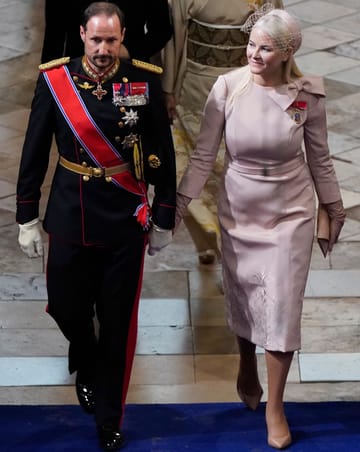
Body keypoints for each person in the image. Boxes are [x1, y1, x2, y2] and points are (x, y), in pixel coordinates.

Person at [175, 7, 345, 449]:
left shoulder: (308, 95)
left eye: (264, 48)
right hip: (240, 209)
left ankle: (275, 405)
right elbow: (201, 156)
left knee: (283, 305)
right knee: (246, 293)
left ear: (287, 52)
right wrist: (177, 204)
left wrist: (334, 208)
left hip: (291, 212)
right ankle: (246, 361)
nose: (253, 53)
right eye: (251, 45)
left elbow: (321, 159)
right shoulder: (227, 87)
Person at [16, 2, 176, 450]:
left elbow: (162, 150)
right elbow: (34, 150)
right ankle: (85, 359)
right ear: (82, 36)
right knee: (66, 307)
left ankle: (110, 418)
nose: (103, 50)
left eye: (112, 40)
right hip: (70, 213)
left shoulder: (143, 80)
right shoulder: (55, 80)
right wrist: (27, 214)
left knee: (119, 325)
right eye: (95, 40)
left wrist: (164, 214)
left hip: (124, 221)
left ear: (122, 37)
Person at [162, 0, 283, 264]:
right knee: (196, 169)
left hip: (248, 83)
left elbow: (278, 34)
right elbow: (174, 40)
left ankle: (233, 239)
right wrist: (169, 87)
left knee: (238, 169)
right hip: (198, 86)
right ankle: (205, 238)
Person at [41, 0, 173, 63]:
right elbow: (54, 36)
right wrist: (46, 86)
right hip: (79, 70)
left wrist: (130, 50)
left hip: (128, 70)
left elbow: (161, 30)